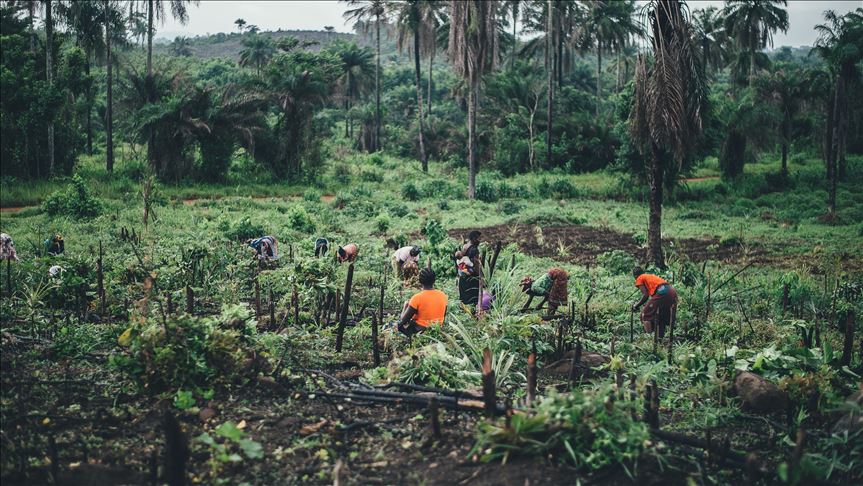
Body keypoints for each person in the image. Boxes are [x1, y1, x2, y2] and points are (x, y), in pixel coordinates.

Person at [397, 267, 448, 336]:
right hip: (437, 329)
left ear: (420, 281)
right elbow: (443, 315)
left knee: (399, 325)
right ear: (434, 280)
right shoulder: (443, 295)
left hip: (421, 331)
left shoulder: (417, 298)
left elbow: (403, 320)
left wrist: (405, 305)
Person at [631, 266, 678, 338]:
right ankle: (660, 341)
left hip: (663, 292)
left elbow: (645, 295)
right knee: (661, 318)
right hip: (671, 291)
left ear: (635, 276)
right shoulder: (649, 276)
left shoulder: (639, 278)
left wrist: (636, 306)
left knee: (645, 315)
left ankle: (649, 340)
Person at [454, 230, 482, 305]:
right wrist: (480, 277)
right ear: (473, 239)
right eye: (478, 239)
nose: (480, 241)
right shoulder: (474, 250)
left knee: (465, 299)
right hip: (472, 279)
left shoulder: (465, 246)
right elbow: (476, 265)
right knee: (473, 299)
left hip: (463, 277)